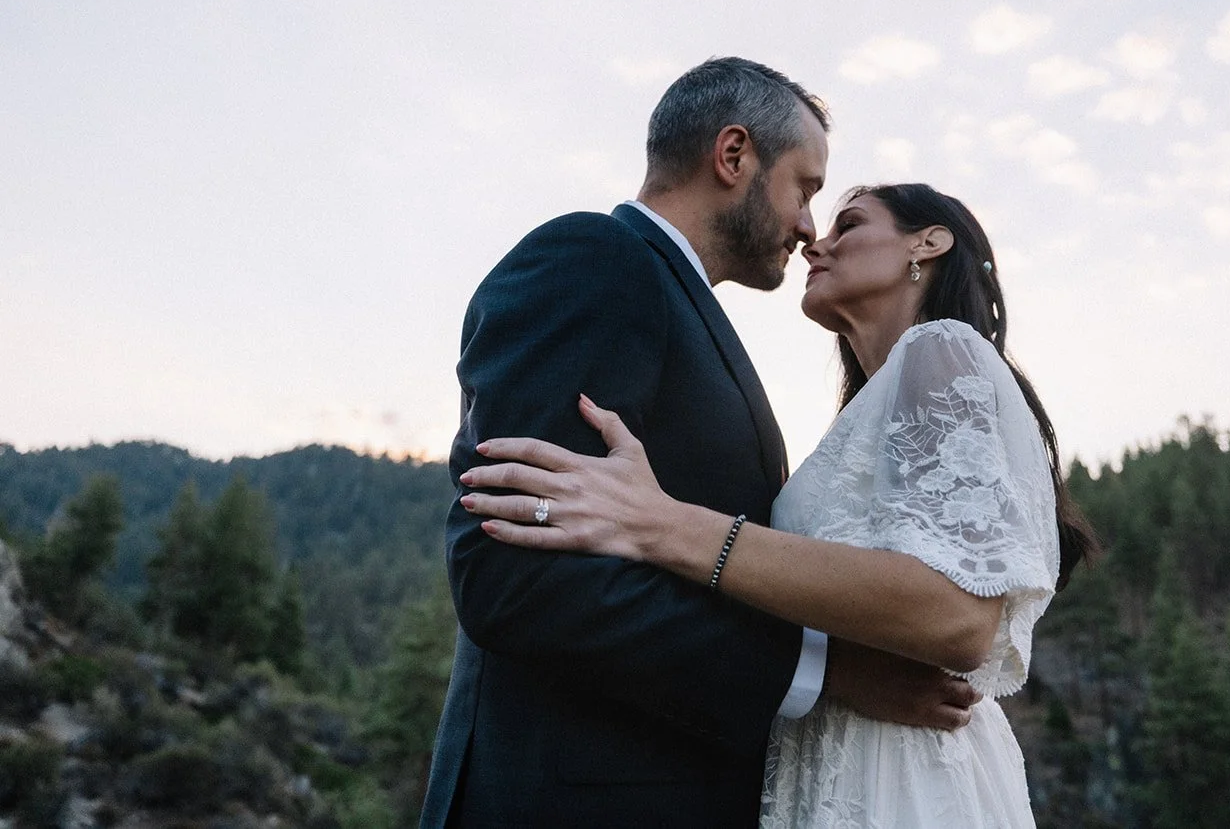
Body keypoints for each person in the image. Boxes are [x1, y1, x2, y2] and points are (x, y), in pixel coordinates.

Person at [420, 61, 982, 829]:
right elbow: (514, 575)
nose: (808, 227)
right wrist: (822, 671)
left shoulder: (674, 307)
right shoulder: (595, 260)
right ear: (733, 156)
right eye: (805, 188)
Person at [462, 182, 1102, 828]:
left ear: (928, 242)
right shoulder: (866, 414)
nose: (814, 242)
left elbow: (962, 615)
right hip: (824, 768)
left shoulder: (942, 350)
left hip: (904, 782)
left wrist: (664, 522)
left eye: (847, 223)